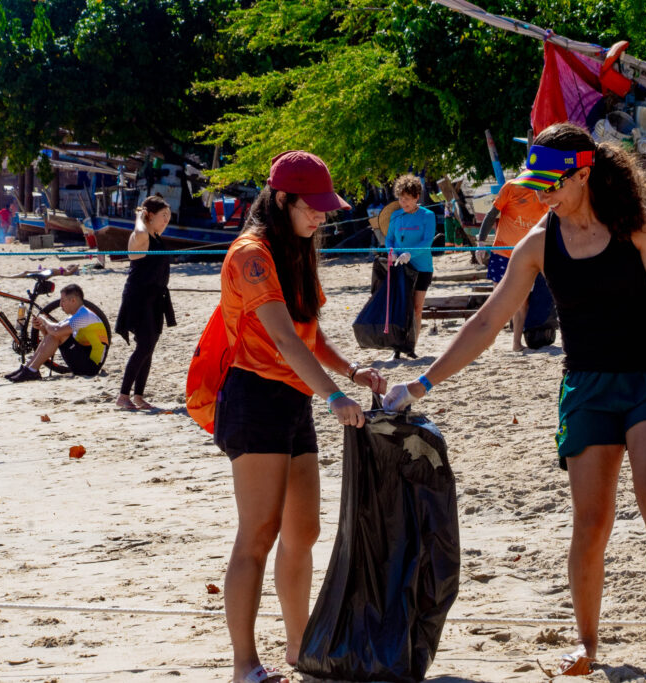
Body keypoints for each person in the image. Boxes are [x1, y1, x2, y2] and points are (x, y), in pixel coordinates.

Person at [383, 122, 646, 673]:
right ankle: (587, 644)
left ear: (584, 173)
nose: (540, 190)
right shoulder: (538, 243)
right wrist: (422, 382)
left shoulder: (639, 227)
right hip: (586, 387)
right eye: (537, 180)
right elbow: (487, 322)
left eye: (552, 180)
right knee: (591, 520)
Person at [216, 150, 387, 683]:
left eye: (325, 207)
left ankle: (299, 649)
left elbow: (310, 331)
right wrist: (335, 396)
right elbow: (283, 338)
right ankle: (245, 664)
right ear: (283, 199)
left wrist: (351, 370)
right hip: (254, 398)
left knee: (303, 531)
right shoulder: (252, 252)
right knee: (258, 534)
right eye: (312, 207)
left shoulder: (298, 247)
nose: (322, 216)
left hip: (293, 399)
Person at [114, 195, 176, 410]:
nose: (167, 220)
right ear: (149, 216)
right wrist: (140, 216)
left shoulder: (157, 237)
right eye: (163, 216)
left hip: (155, 299)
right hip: (138, 299)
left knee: (149, 346)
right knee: (145, 345)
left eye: (169, 216)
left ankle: (138, 396)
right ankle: (123, 396)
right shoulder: (139, 236)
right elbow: (141, 230)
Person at [476, 178, 549, 350]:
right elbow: (492, 213)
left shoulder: (548, 191)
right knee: (498, 299)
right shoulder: (512, 186)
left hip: (525, 255)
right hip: (503, 253)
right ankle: (487, 338)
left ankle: (516, 342)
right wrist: (480, 242)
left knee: (521, 301)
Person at [6, 284, 108, 382]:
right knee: (57, 333)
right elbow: (51, 338)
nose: (60, 305)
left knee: (59, 332)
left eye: (63, 301)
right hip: (84, 361)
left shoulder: (85, 315)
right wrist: (41, 326)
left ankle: (32, 370)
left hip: (90, 367)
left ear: (73, 300)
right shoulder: (76, 315)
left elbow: (56, 331)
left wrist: (44, 320)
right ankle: (29, 367)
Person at [385, 174, 436, 357]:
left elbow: (427, 241)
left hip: (422, 268)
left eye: (407, 199)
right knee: (398, 307)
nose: (403, 202)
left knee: (416, 308)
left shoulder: (428, 216)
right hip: (400, 267)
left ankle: (411, 346)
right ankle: (396, 349)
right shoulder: (396, 216)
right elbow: (389, 238)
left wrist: (410, 253)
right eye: (400, 198)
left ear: (416, 197)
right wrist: (391, 252)